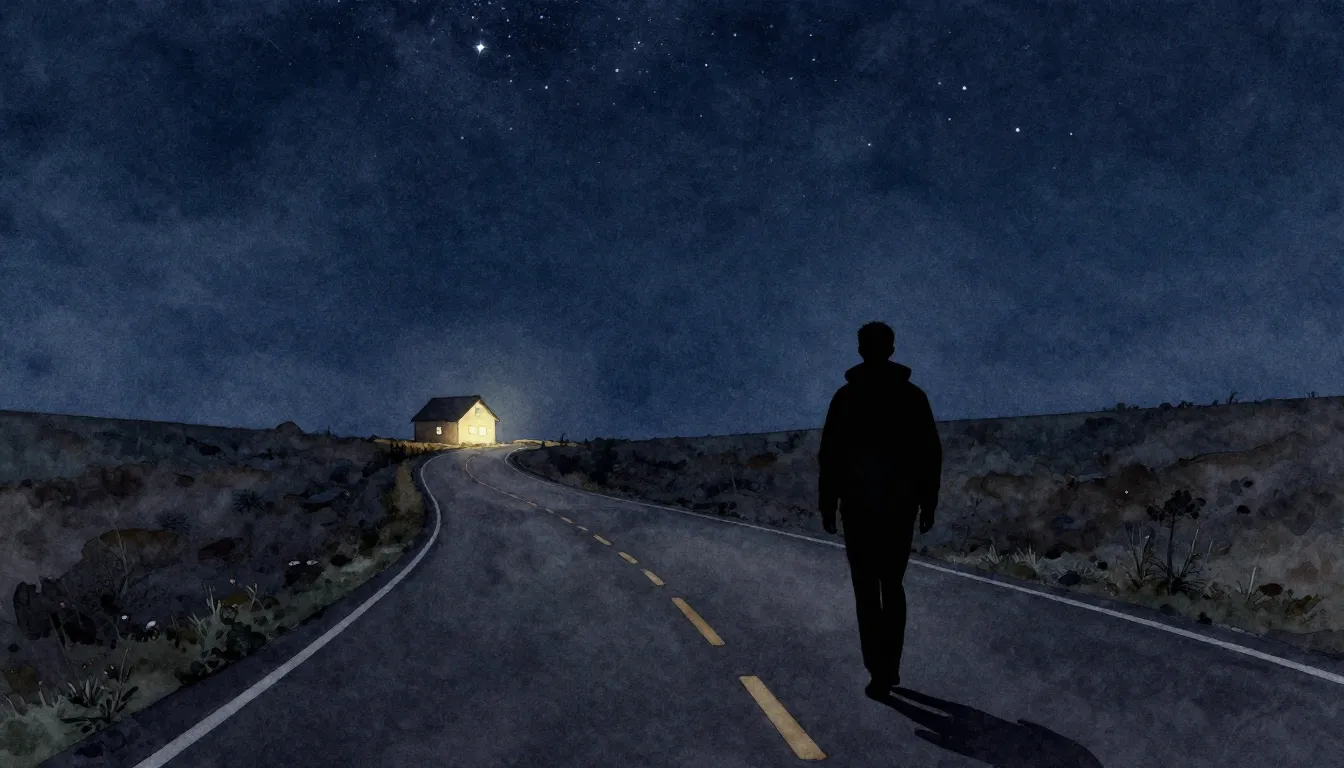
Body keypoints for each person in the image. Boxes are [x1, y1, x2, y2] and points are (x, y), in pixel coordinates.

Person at [818, 321, 943, 700]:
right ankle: (888, 666)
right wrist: (928, 501)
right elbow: (930, 454)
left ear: (861, 349)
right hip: (898, 506)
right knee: (891, 585)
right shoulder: (912, 396)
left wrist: (828, 504)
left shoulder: (846, 398)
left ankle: (879, 669)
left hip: (859, 508)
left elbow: (830, 456)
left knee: (868, 590)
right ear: (891, 348)